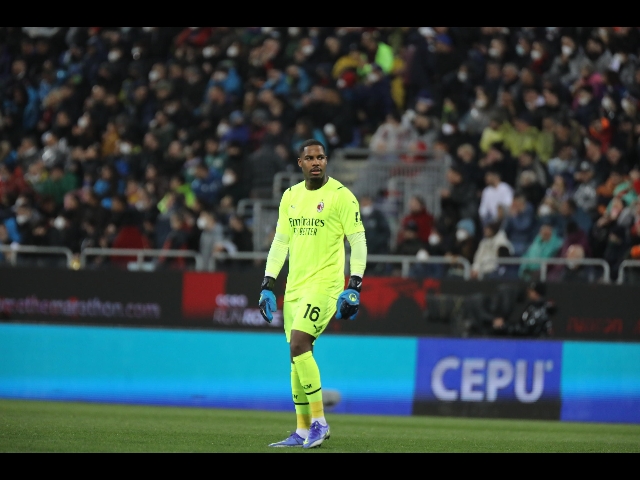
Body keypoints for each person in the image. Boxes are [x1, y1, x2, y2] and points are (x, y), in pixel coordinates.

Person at [258, 139, 367, 449]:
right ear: (300, 163)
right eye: (310, 158)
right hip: (295, 287)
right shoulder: (290, 196)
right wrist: (268, 283)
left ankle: (320, 422)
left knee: (299, 343)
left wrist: (354, 284)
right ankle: (302, 429)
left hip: (325, 286)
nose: (316, 162)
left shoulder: (341, 196)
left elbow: (357, 241)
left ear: (326, 161)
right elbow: (280, 242)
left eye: (320, 157)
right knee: (296, 356)